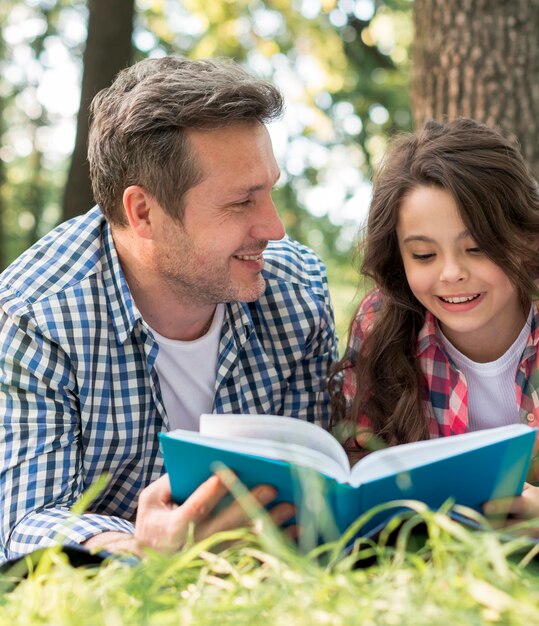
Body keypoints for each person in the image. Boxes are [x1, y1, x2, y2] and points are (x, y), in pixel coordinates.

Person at [0, 56, 337, 562]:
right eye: (242, 203)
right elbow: (25, 518)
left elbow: (316, 482)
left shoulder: (296, 290)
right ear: (144, 213)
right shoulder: (34, 318)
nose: (274, 228)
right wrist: (140, 548)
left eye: (270, 192)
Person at [331, 118, 539, 527]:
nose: (451, 273)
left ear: (527, 240)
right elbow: (362, 455)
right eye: (424, 255)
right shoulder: (381, 320)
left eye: (476, 248)